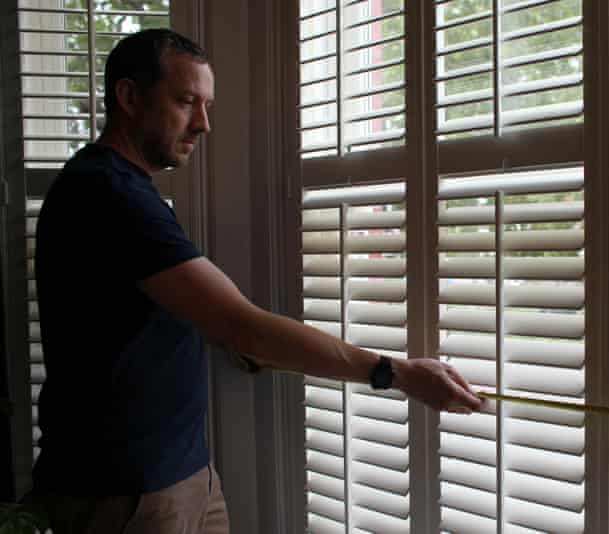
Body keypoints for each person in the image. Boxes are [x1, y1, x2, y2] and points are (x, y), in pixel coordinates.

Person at [30, 28, 482, 534]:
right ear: (129, 97)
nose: (203, 124)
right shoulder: (109, 194)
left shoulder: (124, 190)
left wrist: (228, 337)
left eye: (207, 105)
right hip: (125, 494)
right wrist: (395, 373)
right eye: (186, 102)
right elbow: (240, 323)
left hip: (182, 474)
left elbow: (142, 311)